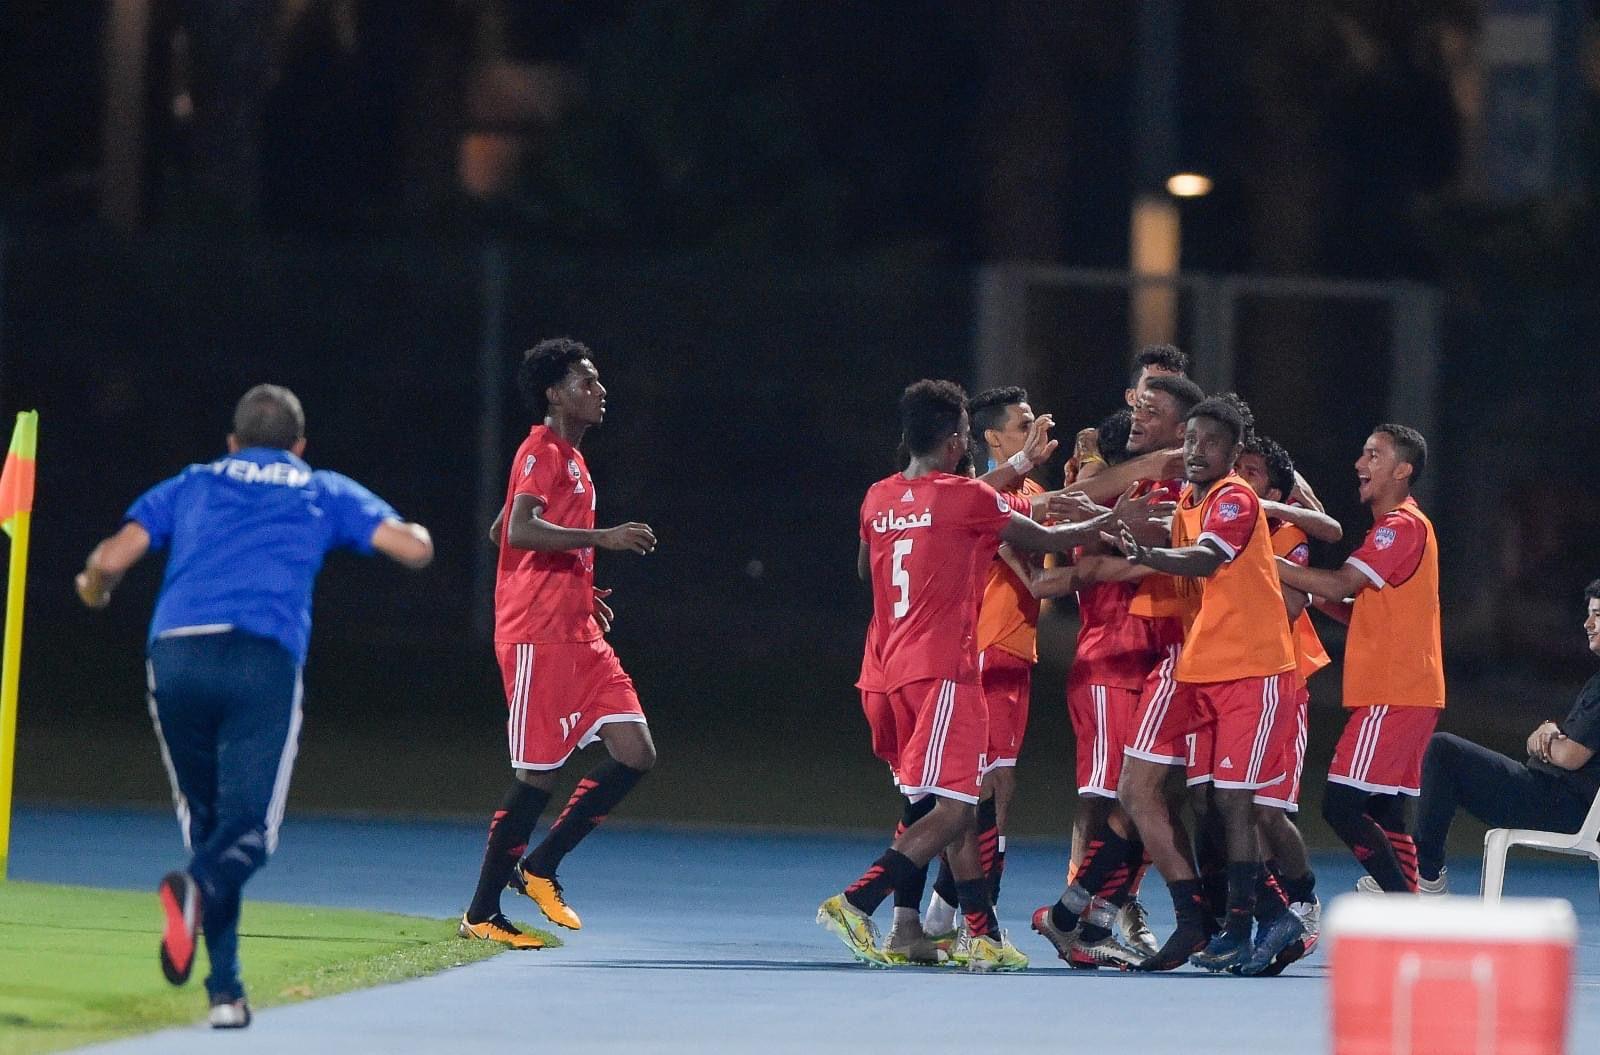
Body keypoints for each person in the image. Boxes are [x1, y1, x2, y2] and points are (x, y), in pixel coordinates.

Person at [75, 385, 434, 1028]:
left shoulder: (193, 482)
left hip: (177, 655)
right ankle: (196, 894)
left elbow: (110, 557)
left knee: (209, 827)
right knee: (247, 834)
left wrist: (94, 589)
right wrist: (415, 530)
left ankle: (226, 992)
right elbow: (412, 548)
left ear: (233, 442)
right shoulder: (317, 487)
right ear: (299, 445)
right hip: (260, 660)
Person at [818, 379, 1148, 972]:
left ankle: (971, 934)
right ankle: (856, 901)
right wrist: (1113, 520)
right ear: (954, 443)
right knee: (956, 808)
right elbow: (1045, 536)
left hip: (885, 670)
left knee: (947, 806)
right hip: (943, 669)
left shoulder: (878, 496)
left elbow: (869, 568)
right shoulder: (965, 498)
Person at [461, 338, 659, 947]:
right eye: (586, 382)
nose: (600, 391)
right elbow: (519, 530)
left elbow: (501, 529)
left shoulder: (570, 458)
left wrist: (576, 583)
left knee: (636, 752)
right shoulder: (540, 450)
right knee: (536, 775)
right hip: (536, 636)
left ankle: (541, 866)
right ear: (554, 393)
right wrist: (600, 539)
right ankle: (482, 914)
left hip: (577, 632)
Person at [1107, 397, 1302, 974]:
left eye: (1210, 442)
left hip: (1251, 670)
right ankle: (1250, 915)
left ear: (1234, 452)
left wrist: (1149, 552)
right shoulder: (1191, 501)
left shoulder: (1234, 498)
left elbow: (1204, 558)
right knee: (1176, 794)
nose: (1196, 450)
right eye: (1190, 440)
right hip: (1203, 669)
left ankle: (1243, 925)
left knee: (1235, 803)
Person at [1276, 425, 1444, 896]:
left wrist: (1264, 562)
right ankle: (1410, 899)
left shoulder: (1400, 526)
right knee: (1385, 810)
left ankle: (1400, 904)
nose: (1359, 464)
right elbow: (1357, 608)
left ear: (1403, 470)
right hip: (1411, 690)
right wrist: (1313, 593)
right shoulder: (1404, 526)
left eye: (1373, 455)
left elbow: (1343, 583)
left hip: (1394, 691)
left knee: (1342, 805)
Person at [1413, 581, 1600, 890]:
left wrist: (1547, 737)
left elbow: (1569, 756)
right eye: (1589, 614)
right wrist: (1550, 735)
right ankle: (1423, 872)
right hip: (1558, 798)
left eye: (1597, 615)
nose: (1587, 624)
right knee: (1446, 756)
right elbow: (1560, 745)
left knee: (1443, 751)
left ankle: (1425, 875)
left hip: (1560, 805)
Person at [1233, 433, 1336, 972]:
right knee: (1233, 808)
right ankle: (1266, 918)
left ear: (1275, 492)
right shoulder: (1223, 520)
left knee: (1267, 812)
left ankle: (1302, 902)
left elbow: (1293, 604)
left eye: (1250, 472)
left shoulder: (1288, 533)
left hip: (1282, 683)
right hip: (1232, 680)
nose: (1238, 478)